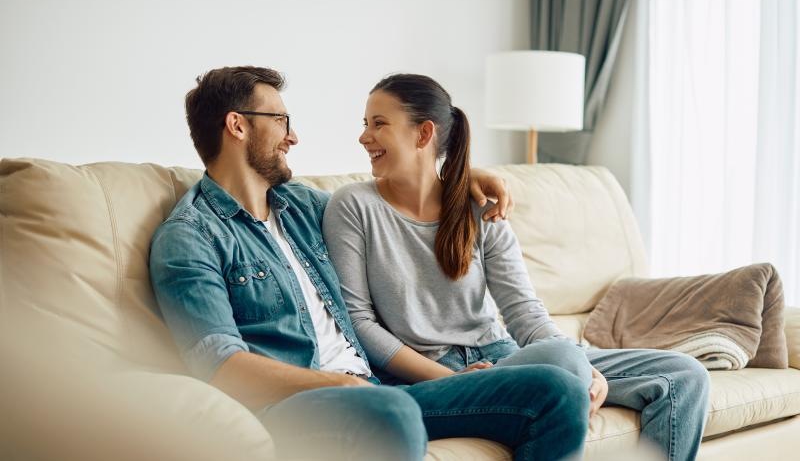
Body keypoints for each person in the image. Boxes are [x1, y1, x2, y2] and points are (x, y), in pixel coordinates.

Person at [149, 66, 590, 461]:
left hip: (380, 390)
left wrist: (456, 178)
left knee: (558, 389)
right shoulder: (189, 237)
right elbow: (221, 365)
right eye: (281, 120)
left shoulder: (301, 206)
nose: (293, 137)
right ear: (237, 125)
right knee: (392, 411)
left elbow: (395, 200)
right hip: (300, 404)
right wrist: (340, 385)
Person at [322, 73, 711, 461]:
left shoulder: (478, 204)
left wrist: (572, 359)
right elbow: (359, 321)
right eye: (365, 124)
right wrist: (453, 380)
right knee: (561, 367)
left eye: (378, 124)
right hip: (433, 371)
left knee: (685, 375)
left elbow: (523, 309)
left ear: (423, 134)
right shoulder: (353, 205)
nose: (364, 136)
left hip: (505, 354)